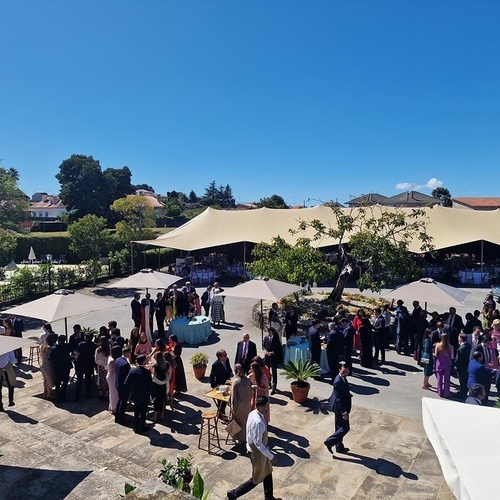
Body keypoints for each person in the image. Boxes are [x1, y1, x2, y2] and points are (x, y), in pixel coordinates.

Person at [227, 396, 282, 500]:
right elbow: (258, 444)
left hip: (261, 451)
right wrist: (271, 457)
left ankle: (269, 497)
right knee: (256, 479)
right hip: (258, 453)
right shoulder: (258, 423)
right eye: (266, 406)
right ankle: (234, 494)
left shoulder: (253, 413)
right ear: (262, 407)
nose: (268, 408)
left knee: (268, 472)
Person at [324, 362, 352, 457]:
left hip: (339, 407)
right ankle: (330, 441)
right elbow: (339, 399)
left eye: (347, 371)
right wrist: (344, 412)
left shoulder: (342, 378)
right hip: (340, 408)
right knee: (345, 428)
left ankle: (339, 446)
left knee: (338, 428)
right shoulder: (338, 381)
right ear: (339, 370)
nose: (346, 373)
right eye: (344, 371)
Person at [124, 354, 153, 433]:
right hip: (144, 395)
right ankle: (142, 426)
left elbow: (126, 383)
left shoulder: (132, 371)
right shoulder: (147, 372)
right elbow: (150, 385)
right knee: (143, 411)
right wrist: (153, 395)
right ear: (144, 362)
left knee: (136, 410)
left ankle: (136, 426)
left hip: (135, 394)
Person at [230, 364, 253, 445]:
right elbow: (251, 392)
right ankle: (244, 438)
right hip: (247, 405)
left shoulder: (235, 382)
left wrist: (233, 407)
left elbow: (233, 397)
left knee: (235, 422)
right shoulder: (247, 379)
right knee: (245, 422)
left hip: (239, 405)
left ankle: (236, 438)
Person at [50, 335, 73, 403]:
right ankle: (64, 396)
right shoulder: (67, 346)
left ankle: (58, 396)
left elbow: (51, 358)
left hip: (57, 368)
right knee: (65, 382)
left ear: (58, 340)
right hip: (66, 367)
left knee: (57, 382)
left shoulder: (54, 348)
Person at [74, 332, 97, 400]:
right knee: (88, 379)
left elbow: (76, 353)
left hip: (80, 364)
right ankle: (88, 394)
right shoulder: (93, 345)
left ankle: (77, 396)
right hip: (89, 364)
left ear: (85, 337)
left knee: (79, 380)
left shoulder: (81, 344)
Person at [210, 349, 233, 415]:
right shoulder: (215, 365)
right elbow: (212, 376)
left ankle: (222, 413)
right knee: (221, 401)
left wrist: (231, 374)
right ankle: (221, 415)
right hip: (220, 385)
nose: (226, 356)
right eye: (224, 355)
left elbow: (229, 368)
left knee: (226, 400)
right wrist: (214, 387)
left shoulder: (227, 360)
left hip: (227, 383)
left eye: (226, 355)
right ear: (220, 357)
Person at [434, 333, 454, 399]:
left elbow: (436, 355)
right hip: (447, 363)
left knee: (439, 379)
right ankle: (446, 393)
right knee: (447, 379)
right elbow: (452, 357)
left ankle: (440, 392)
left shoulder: (438, 346)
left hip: (440, 363)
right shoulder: (451, 347)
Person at [115, 347, 132, 424]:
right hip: (124, 386)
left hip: (118, 383)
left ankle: (117, 417)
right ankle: (121, 419)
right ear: (127, 353)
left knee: (119, 401)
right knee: (123, 402)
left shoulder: (118, 360)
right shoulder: (126, 364)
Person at [152, 351, 170, 422]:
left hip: (157, 384)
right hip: (164, 383)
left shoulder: (156, 366)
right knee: (163, 398)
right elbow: (169, 373)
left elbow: (154, 376)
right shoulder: (167, 364)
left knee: (156, 399)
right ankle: (162, 414)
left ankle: (155, 415)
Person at [263, 328, 282, 394]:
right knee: (267, 371)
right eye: (268, 332)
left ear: (272, 333)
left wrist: (273, 353)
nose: (269, 334)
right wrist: (265, 351)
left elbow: (279, 349)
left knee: (274, 372)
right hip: (267, 358)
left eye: (270, 332)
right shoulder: (266, 338)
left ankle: (274, 387)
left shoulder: (276, 339)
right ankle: (269, 383)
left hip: (273, 358)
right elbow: (264, 346)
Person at [40, 333, 57, 399]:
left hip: (43, 364)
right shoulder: (49, 348)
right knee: (49, 379)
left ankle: (45, 392)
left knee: (45, 379)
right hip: (48, 365)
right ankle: (49, 394)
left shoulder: (43, 346)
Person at [454, 333, 472, 400]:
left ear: (461, 339)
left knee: (462, 381)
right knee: (465, 380)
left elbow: (458, 359)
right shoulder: (469, 346)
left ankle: (462, 394)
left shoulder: (461, 348)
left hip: (461, 367)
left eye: (459, 337)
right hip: (467, 366)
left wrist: (456, 365)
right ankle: (464, 392)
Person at [107, 345, 121, 414]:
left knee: (112, 392)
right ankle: (113, 408)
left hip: (112, 376)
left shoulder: (111, 358)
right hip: (112, 376)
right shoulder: (112, 360)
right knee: (114, 393)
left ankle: (111, 406)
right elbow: (115, 368)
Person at [95, 335, 110, 400]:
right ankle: (107, 394)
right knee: (107, 380)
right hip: (107, 366)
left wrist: (102, 364)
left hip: (101, 367)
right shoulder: (109, 348)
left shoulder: (98, 350)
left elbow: (96, 360)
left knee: (101, 381)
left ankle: (101, 394)